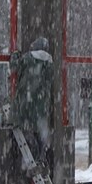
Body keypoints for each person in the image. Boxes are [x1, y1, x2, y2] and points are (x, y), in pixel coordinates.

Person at [9, 37, 54, 174]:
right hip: (42, 104)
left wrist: (15, 54)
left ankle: (32, 162)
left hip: (26, 102)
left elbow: (14, 67)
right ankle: (41, 159)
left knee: (26, 130)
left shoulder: (28, 58)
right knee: (41, 133)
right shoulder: (50, 62)